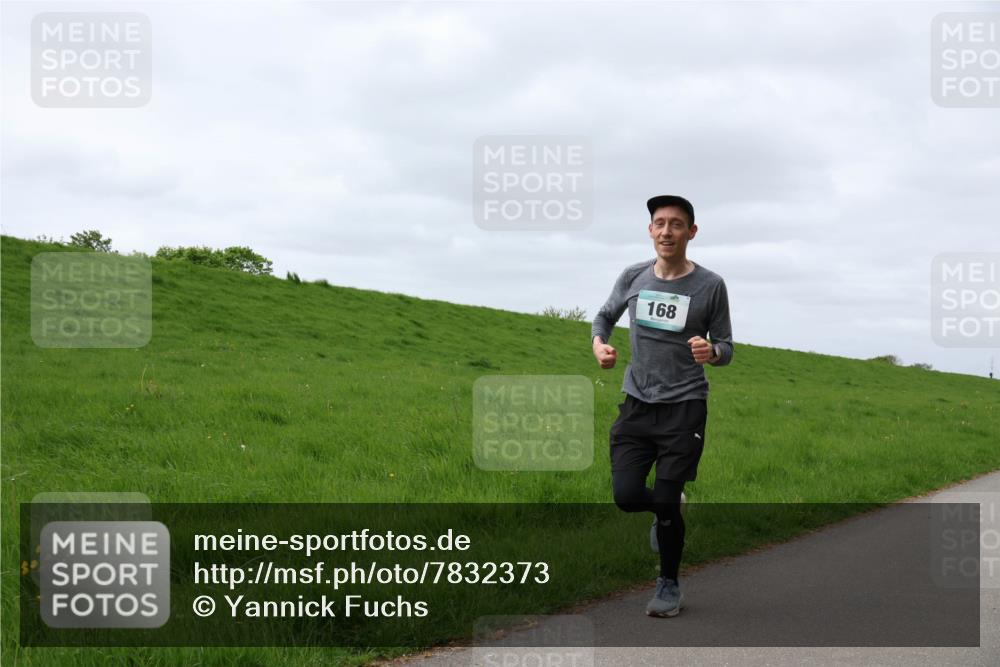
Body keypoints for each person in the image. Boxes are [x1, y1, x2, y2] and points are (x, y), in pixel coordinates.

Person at [591, 194, 733, 617]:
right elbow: (603, 317)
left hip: (684, 407)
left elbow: (727, 344)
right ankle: (666, 507)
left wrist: (713, 352)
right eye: (659, 223)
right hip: (637, 403)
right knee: (627, 495)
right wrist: (600, 345)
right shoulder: (633, 276)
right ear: (650, 230)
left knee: (667, 502)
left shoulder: (710, 285)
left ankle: (668, 585)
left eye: (676, 224)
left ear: (691, 232)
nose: (666, 231)